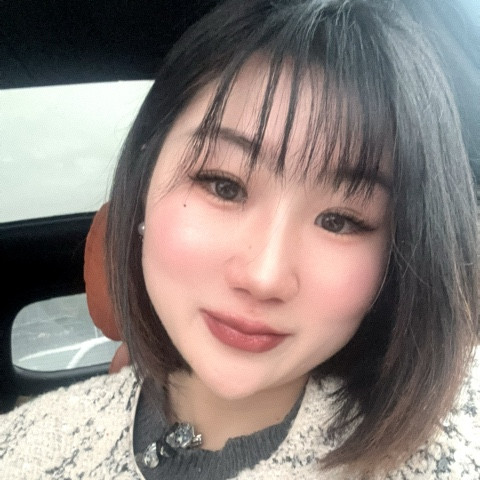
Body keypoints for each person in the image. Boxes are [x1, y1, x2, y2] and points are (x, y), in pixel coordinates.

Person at [1, 0, 479, 478]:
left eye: (339, 221)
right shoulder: (22, 447)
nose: (264, 276)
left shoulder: (452, 453)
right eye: (224, 186)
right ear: (143, 181)